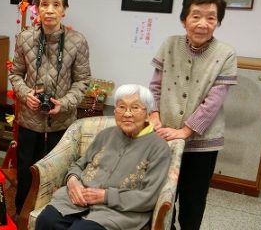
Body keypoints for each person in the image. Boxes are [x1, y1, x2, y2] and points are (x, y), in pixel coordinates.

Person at [148, 0, 237, 230]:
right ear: (183, 19)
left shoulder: (226, 54)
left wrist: (186, 132)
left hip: (203, 144)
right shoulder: (169, 45)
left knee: (193, 201)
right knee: (162, 197)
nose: (202, 23)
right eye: (196, 15)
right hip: (164, 135)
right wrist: (154, 116)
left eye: (211, 17)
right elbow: (155, 85)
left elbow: (214, 101)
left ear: (218, 22)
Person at [35, 84, 171, 230]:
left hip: (118, 212)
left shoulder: (159, 148)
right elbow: (79, 164)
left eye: (135, 108)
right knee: (46, 221)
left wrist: (106, 196)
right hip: (77, 200)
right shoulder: (106, 134)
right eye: (121, 107)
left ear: (148, 113)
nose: (127, 114)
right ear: (115, 110)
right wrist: (72, 182)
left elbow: (149, 196)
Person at [8, 0, 91, 216]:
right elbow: (15, 74)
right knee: (26, 169)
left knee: (57, 170)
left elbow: (83, 80)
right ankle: (21, 213)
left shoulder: (78, 41)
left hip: (62, 120)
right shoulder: (25, 38)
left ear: (64, 10)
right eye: (44, 4)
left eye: (56, 5)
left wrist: (63, 103)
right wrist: (26, 95)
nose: (50, 10)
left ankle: (51, 216)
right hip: (29, 118)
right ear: (37, 9)